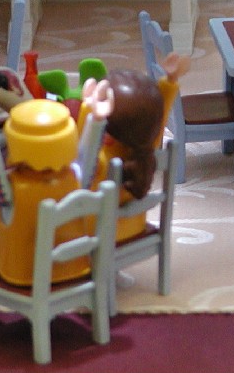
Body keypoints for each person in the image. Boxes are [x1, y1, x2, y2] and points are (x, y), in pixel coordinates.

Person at [0, 79, 114, 286]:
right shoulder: (75, 178)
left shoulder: (12, 188)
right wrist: (97, 120)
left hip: (23, 273)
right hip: (73, 266)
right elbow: (88, 158)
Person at [76, 53, 187, 242]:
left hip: (99, 235)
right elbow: (157, 113)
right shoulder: (147, 144)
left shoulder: (101, 160)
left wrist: (89, 111)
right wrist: (170, 81)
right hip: (136, 227)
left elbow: (81, 154)